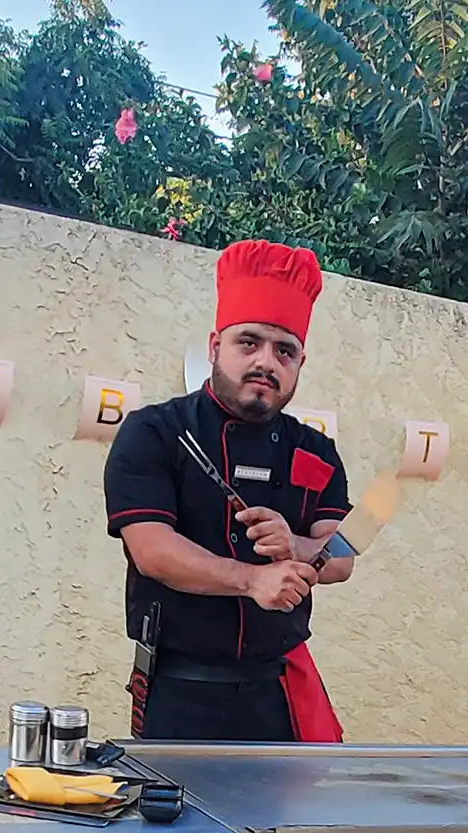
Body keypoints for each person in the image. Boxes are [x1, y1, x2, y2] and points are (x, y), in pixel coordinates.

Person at [103, 239, 355, 742]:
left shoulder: (318, 450)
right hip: (180, 692)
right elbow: (152, 551)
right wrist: (252, 580)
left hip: (278, 695)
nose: (266, 361)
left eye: (285, 350)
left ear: (300, 364)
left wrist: (297, 546)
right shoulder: (153, 432)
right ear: (215, 347)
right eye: (249, 342)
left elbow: (343, 556)